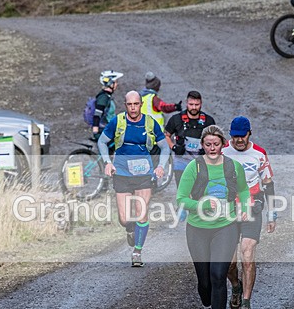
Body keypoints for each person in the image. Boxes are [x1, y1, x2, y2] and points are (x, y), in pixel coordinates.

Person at [177, 125, 251, 309]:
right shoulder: (194, 167)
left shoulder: (233, 166)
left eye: (216, 144)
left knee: (218, 275)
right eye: (207, 144)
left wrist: (245, 206)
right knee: (204, 280)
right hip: (198, 228)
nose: (212, 148)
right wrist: (201, 205)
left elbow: (244, 189)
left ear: (223, 144)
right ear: (202, 145)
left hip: (225, 226)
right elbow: (181, 199)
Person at [98, 90, 170, 267]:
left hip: (144, 174)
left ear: (141, 104)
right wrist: (108, 162)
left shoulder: (149, 123)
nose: (133, 108)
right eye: (129, 104)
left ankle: (137, 252)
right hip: (121, 172)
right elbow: (102, 141)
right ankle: (130, 229)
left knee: (142, 213)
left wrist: (161, 166)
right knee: (124, 218)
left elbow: (165, 147)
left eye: (136, 104)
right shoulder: (118, 121)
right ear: (125, 105)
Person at [221, 116, 276, 309]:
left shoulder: (259, 154)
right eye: (235, 137)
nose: (239, 141)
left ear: (249, 133)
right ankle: (236, 286)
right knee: (228, 261)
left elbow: (268, 184)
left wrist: (272, 214)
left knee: (247, 251)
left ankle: (246, 303)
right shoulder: (223, 152)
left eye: (242, 136)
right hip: (228, 208)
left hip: (253, 205)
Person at [164, 90, 216, 186]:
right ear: (186, 103)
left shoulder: (209, 121)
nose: (194, 107)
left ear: (201, 104)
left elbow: (216, 141)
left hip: (201, 163)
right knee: (183, 192)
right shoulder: (176, 119)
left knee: (199, 193)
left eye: (197, 105)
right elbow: (166, 136)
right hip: (181, 163)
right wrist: (174, 147)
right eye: (191, 104)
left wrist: (208, 150)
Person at [91, 70, 123, 140]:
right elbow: (97, 114)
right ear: (111, 83)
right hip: (104, 130)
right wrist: (95, 131)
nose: (117, 84)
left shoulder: (107, 96)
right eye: (116, 82)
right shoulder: (103, 98)